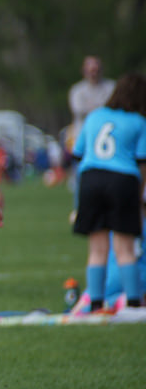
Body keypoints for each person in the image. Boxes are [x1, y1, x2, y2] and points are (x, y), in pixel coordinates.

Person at [71, 73, 146, 311]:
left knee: (97, 248)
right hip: (123, 178)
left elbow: (78, 152)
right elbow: (142, 163)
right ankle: (134, 304)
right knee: (124, 247)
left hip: (91, 178)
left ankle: (95, 303)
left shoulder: (95, 116)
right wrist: (139, 197)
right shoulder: (138, 121)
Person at [69, 56, 116, 148]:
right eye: (91, 71)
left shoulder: (111, 87)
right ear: (84, 72)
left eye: (96, 70)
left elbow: (115, 107)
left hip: (108, 137)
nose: (94, 74)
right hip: (85, 137)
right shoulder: (77, 91)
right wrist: (103, 108)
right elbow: (79, 111)